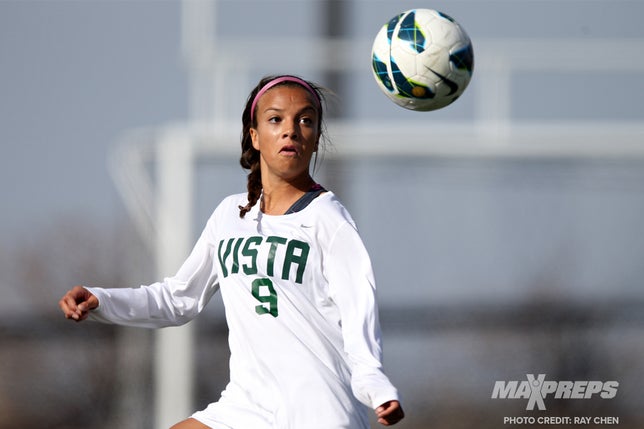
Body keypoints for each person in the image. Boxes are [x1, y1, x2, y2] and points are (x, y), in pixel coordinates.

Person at [59, 75, 404, 429]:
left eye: (306, 120)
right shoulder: (229, 215)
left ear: (316, 140)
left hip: (318, 411)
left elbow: (359, 312)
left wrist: (374, 384)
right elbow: (178, 299)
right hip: (247, 406)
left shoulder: (329, 219)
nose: (292, 130)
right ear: (254, 136)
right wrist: (101, 300)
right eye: (275, 119)